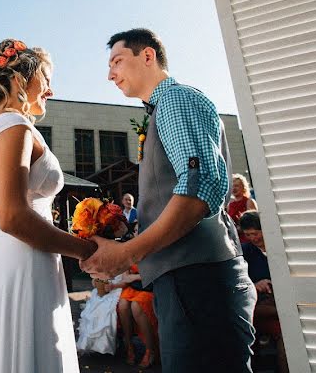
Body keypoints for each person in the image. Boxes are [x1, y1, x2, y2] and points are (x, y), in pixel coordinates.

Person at [81, 28, 256, 372]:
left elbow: (198, 188)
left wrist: (128, 252)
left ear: (147, 56)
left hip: (198, 279)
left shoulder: (175, 100)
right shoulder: (160, 110)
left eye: (117, 61)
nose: (109, 74)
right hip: (186, 280)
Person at [0, 39, 96, 373]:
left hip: (23, 259)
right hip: (21, 261)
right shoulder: (14, 127)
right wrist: (86, 250)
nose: (51, 89)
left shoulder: (6, 126)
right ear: (21, 79)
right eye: (47, 78)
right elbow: (12, 216)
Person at [240, 210, 289, 373]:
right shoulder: (246, 251)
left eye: (256, 233)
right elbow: (239, 284)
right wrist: (255, 285)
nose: (253, 238)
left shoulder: (281, 248)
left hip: (279, 301)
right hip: (258, 305)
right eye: (248, 234)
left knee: (287, 334)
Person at [115, 264, 159, 368]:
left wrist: (134, 277)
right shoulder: (128, 251)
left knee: (137, 306)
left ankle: (150, 350)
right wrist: (138, 276)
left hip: (150, 287)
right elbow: (126, 278)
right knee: (123, 305)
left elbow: (155, 273)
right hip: (133, 287)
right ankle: (129, 346)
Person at [75, 273, 125, 356]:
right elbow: (94, 280)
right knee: (92, 310)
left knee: (106, 310)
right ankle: (88, 344)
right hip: (101, 291)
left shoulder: (123, 263)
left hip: (117, 290)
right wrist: (95, 281)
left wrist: (113, 286)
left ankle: (104, 346)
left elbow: (126, 282)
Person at [227, 174, 257, 242]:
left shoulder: (249, 202)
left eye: (236, 186)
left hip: (248, 240)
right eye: (232, 186)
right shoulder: (230, 204)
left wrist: (240, 228)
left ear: (243, 187)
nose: (234, 188)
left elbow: (254, 223)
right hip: (235, 241)